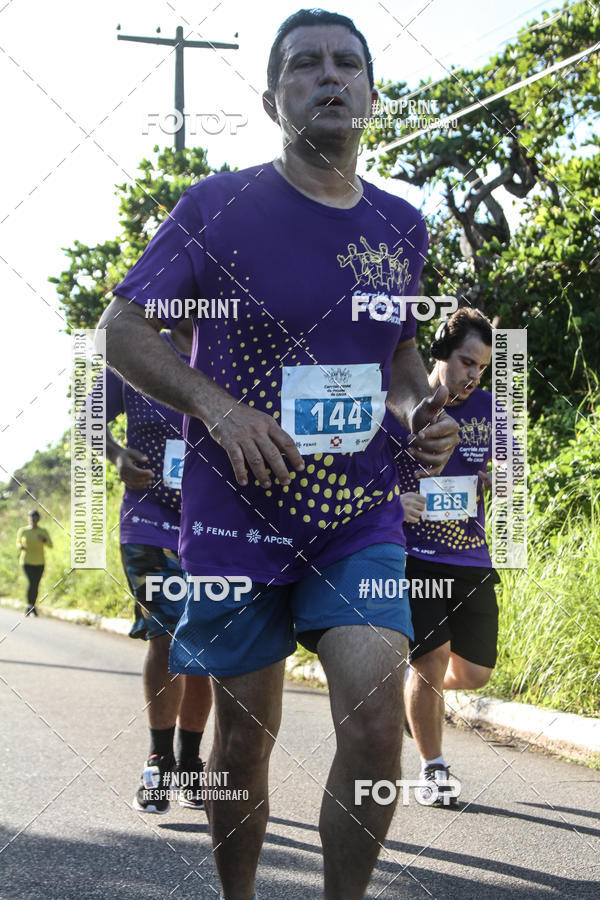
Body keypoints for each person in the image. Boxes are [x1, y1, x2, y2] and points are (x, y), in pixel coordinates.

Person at [98, 9, 459, 898]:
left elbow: (399, 357)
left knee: (376, 725)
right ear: (272, 99)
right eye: (305, 65)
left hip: (356, 518)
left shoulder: (402, 225)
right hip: (233, 524)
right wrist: (216, 410)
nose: (328, 76)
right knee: (244, 744)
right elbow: (121, 327)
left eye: (347, 63)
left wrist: (417, 413)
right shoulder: (215, 206)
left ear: (372, 93)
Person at [100, 319, 213, 814]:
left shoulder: (232, 352)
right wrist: (118, 455)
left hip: (216, 526)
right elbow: (90, 420)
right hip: (149, 521)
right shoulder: (137, 353)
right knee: (166, 635)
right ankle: (159, 759)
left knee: (205, 644)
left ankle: (190, 762)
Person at [390, 308, 498, 808]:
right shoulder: (403, 405)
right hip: (416, 554)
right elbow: (364, 471)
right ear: (440, 354)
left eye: (482, 367)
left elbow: (507, 466)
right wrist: (393, 503)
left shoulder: (492, 409)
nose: (473, 375)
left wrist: (496, 477)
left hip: (471, 557)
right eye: (466, 362)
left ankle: (414, 700)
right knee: (429, 659)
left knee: (475, 672)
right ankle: (434, 768)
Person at [17, 510, 52, 616]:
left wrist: (44, 539)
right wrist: (20, 546)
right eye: (32, 519)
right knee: (31, 583)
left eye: (36, 519)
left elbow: (50, 545)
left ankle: (32, 606)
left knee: (36, 584)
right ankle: (29, 605)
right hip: (26, 562)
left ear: (39, 520)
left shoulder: (43, 531)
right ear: (29, 519)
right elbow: (18, 542)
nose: (34, 521)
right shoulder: (23, 531)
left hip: (40, 562)